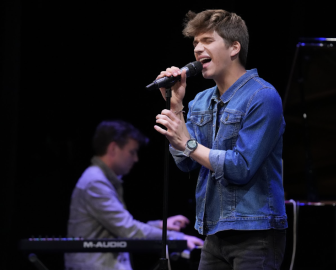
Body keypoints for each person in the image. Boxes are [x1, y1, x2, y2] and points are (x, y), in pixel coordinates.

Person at [154, 9, 287, 270]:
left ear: (234, 47)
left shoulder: (262, 96)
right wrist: (176, 105)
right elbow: (186, 163)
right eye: (195, 43)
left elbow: (241, 167)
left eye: (207, 41)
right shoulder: (201, 101)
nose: (197, 49)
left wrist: (189, 143)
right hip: (213, 231)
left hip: (254, 232)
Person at [64, 119, 204, 270]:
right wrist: (178, 238)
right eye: (132, 152)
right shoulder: (95, 182)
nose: (136, 159)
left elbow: (118, 227)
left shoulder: (100, 179)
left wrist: (160, 225)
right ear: (113, 148)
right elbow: (128, 230)